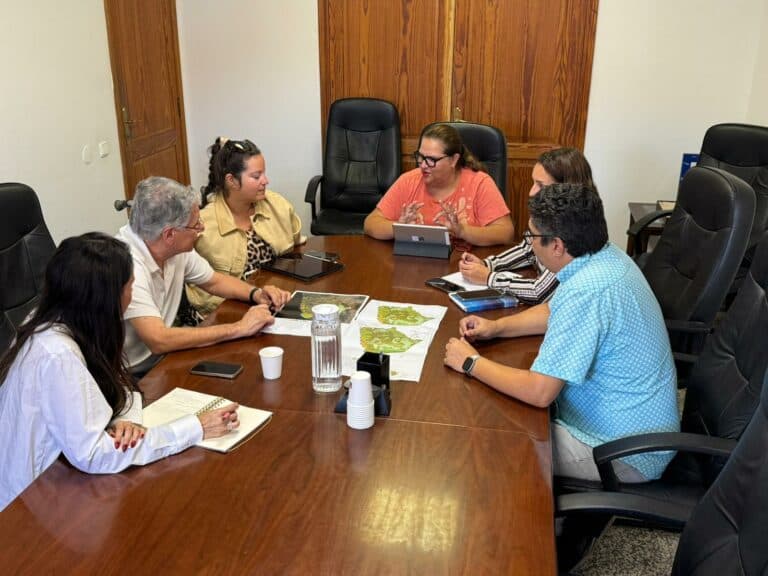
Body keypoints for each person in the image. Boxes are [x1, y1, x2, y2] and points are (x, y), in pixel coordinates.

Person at [444, 184, 679, 483]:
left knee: (491, 443)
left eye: (531, 237)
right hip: (629, 424)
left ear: (556, 245)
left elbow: (540, 392)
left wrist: (470, 363)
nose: (528, 244)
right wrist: (497, 328)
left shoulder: (587, 291)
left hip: (623, 452)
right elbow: (554, 312)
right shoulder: (604, 256)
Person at [0, 233, 240, 512]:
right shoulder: (58, 354)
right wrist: (196, 427)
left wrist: (125, 419)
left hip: (56, 480)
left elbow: (118, 384)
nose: (132, 292)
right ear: (106, 299)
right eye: (130, 285)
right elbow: (94, 455)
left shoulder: (62, 320)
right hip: (30, 508)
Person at [117, 176, 291, 373]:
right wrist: (240, 328)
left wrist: (257, 294)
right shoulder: (128, 266)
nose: (202, 228)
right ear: (169, 235)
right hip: (133, 374)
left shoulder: (171, 247)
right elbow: (159, 340)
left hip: (165, 358)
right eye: (195, 224)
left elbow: (214, 281)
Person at [186, 138, 305, 320]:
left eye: (264, 173)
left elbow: (297, 246)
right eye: (256, 176)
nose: (265, 181)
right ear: (232, 181)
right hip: (224, 312)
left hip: (273, 300)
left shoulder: (277, 205)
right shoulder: (202, 224)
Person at [458, 148, 596, 304]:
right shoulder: (551, 214)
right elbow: (527, 249)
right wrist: (487, 264)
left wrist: (489, 278)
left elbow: (539, 292)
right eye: (533, 183)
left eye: (541, 185)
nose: (531, 192)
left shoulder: (577, 230)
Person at [364, 123, 514, 250]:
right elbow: (371, 223)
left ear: (453, 160)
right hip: (415, 268)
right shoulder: (409, 180)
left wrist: (462, 231)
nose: (422, 165)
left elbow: (505, 233)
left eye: (431, 160)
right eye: (420, 157)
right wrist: (398, 227)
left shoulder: (479, 183)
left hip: (463, 267)